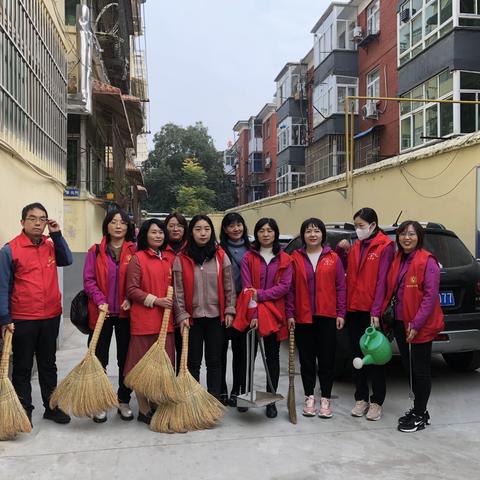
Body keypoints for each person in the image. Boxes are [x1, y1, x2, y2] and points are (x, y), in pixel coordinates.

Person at [0, 202, 73, 425]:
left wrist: (57, 234)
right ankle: (24, 411)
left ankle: (51, 407)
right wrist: (5, 319)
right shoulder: (10, 250)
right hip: (23, 318)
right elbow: (2, 286)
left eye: (42, 219)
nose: (38, 222)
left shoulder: (51, 246)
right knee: (22, 367)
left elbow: (67, 259)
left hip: (50, 317)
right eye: (32, 218)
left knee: (48, 364)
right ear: (22, 222)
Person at [381, 221, 444, 433]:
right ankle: (419, 409)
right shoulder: (398, 258)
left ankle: (420, 414)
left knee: (420, 370)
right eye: (403, 234)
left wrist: (416, 324)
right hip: (400, 322)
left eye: (411, 234)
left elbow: (430, 296)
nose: (407, 238)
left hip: (419, 325)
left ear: (419, 237)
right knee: (409, 369)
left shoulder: (428, 261)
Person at [337, 207, 394, 421]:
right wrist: (341, 251)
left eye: (361, 226)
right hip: (354, 309)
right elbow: (347, 275)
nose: (358, 230)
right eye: (356, 226)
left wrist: (376, 310)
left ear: (372, 225)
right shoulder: (356, 246)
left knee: (376, 359)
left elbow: (382, 282)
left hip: (372, 313)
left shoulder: (385, 246)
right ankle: (361, 398)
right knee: (357, 357)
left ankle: (377, 401)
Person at [173, 214, 236, 400]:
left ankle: (213, 399)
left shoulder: (220, 255)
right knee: (192, 362)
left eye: (207, 229)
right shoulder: (181, 258)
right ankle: (192, 400)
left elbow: (229, 286)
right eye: (198, 229)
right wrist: (182, 314)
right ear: (191, 232)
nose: (203, 233)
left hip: (216, 317)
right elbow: (178, 290)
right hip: (191, 319)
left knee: (214, 361)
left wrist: (230, 309)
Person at [83, 208, 136, 423]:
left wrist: (130, 298)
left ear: (127, 227)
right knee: (98, 359)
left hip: (126, 315)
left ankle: (123, 400)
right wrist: (100, 300)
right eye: (114, 222)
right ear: (106, 225)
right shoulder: (95, 251)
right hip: (101, 314)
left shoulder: (135, 251)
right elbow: (88, 280)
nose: (118, 226)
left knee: (125, 359)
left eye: (122, 222)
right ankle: (99, 402)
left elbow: (138, 281)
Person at [290, 218, 346, 418]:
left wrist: (341, 313)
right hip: (303, 317)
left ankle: (326, 398)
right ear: (303, 235)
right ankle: (309, 397)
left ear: (323, 234)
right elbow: (290, 289)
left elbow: (340, 287)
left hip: (327, 316)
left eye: (316, 231)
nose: (312, 235)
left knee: (326, 359)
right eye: (308, 231)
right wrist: (290, 314)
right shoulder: (295, 258)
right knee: (306, 359)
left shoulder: (333, 258)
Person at [238, 218, 293, 419]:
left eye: (270, 230)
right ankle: (246, 396)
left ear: (276, 233)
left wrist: (260, 295)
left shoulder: (285, 259)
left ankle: (271, 400)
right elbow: (247, 288)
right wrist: (253, 313)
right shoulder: (248, 258)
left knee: (272, 357)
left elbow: (285, 287)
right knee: (248, 357)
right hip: (251, 313)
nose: (266, 234)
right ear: (257, 233)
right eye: (261, 230)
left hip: (275, 315)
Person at [125, 219, 174, 425]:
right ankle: (143, 409)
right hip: (144, 321)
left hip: (166, 323)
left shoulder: (169, 259)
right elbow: (132, 289)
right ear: (145, 235)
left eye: (161, 232)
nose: (158, 236)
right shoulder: (138, 258)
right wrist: (156, 301)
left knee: (161, 367)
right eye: (154, 232)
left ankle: (155, 403)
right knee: (140, 367)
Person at [219, 212, 250, 411]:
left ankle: (239, 391)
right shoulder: (218, 250)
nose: (236, 229)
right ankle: (221, 389)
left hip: (245, 305)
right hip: (222, 305)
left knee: (242, 352)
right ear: (224, 229)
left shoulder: (251, 250)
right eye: (231, 226)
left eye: (239, 225)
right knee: (219, 351)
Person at [163, 212, 189, 371]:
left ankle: (182, 383)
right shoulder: (159, 248)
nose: (175, 229)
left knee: (184, 348)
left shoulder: (190, 249)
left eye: (179, 225)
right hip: (163, 305)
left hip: (185, 305)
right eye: (171, 226)